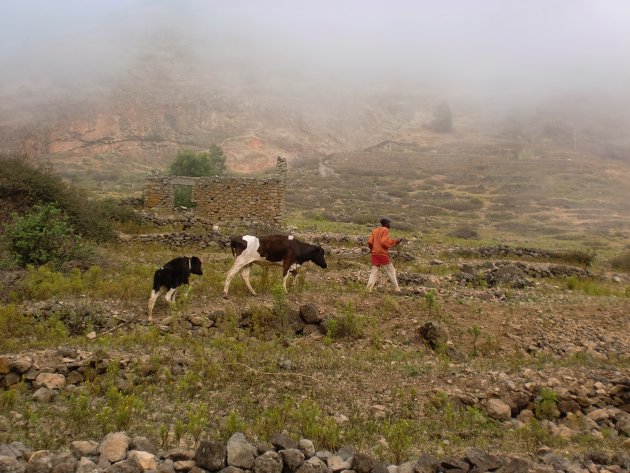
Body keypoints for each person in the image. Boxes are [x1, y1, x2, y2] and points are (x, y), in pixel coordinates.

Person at [367, 217, 402, 293]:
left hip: (374, 254)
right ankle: (397, 288)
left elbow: (370, 242)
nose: (390, 225)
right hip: (382, 254)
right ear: (386, 224)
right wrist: (395, 241)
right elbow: (384, 242)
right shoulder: (385, 230)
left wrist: (372, 249)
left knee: (374, 272)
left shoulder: (375, 230)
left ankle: (368, 289)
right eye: (389, 223)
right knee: (391, 271)